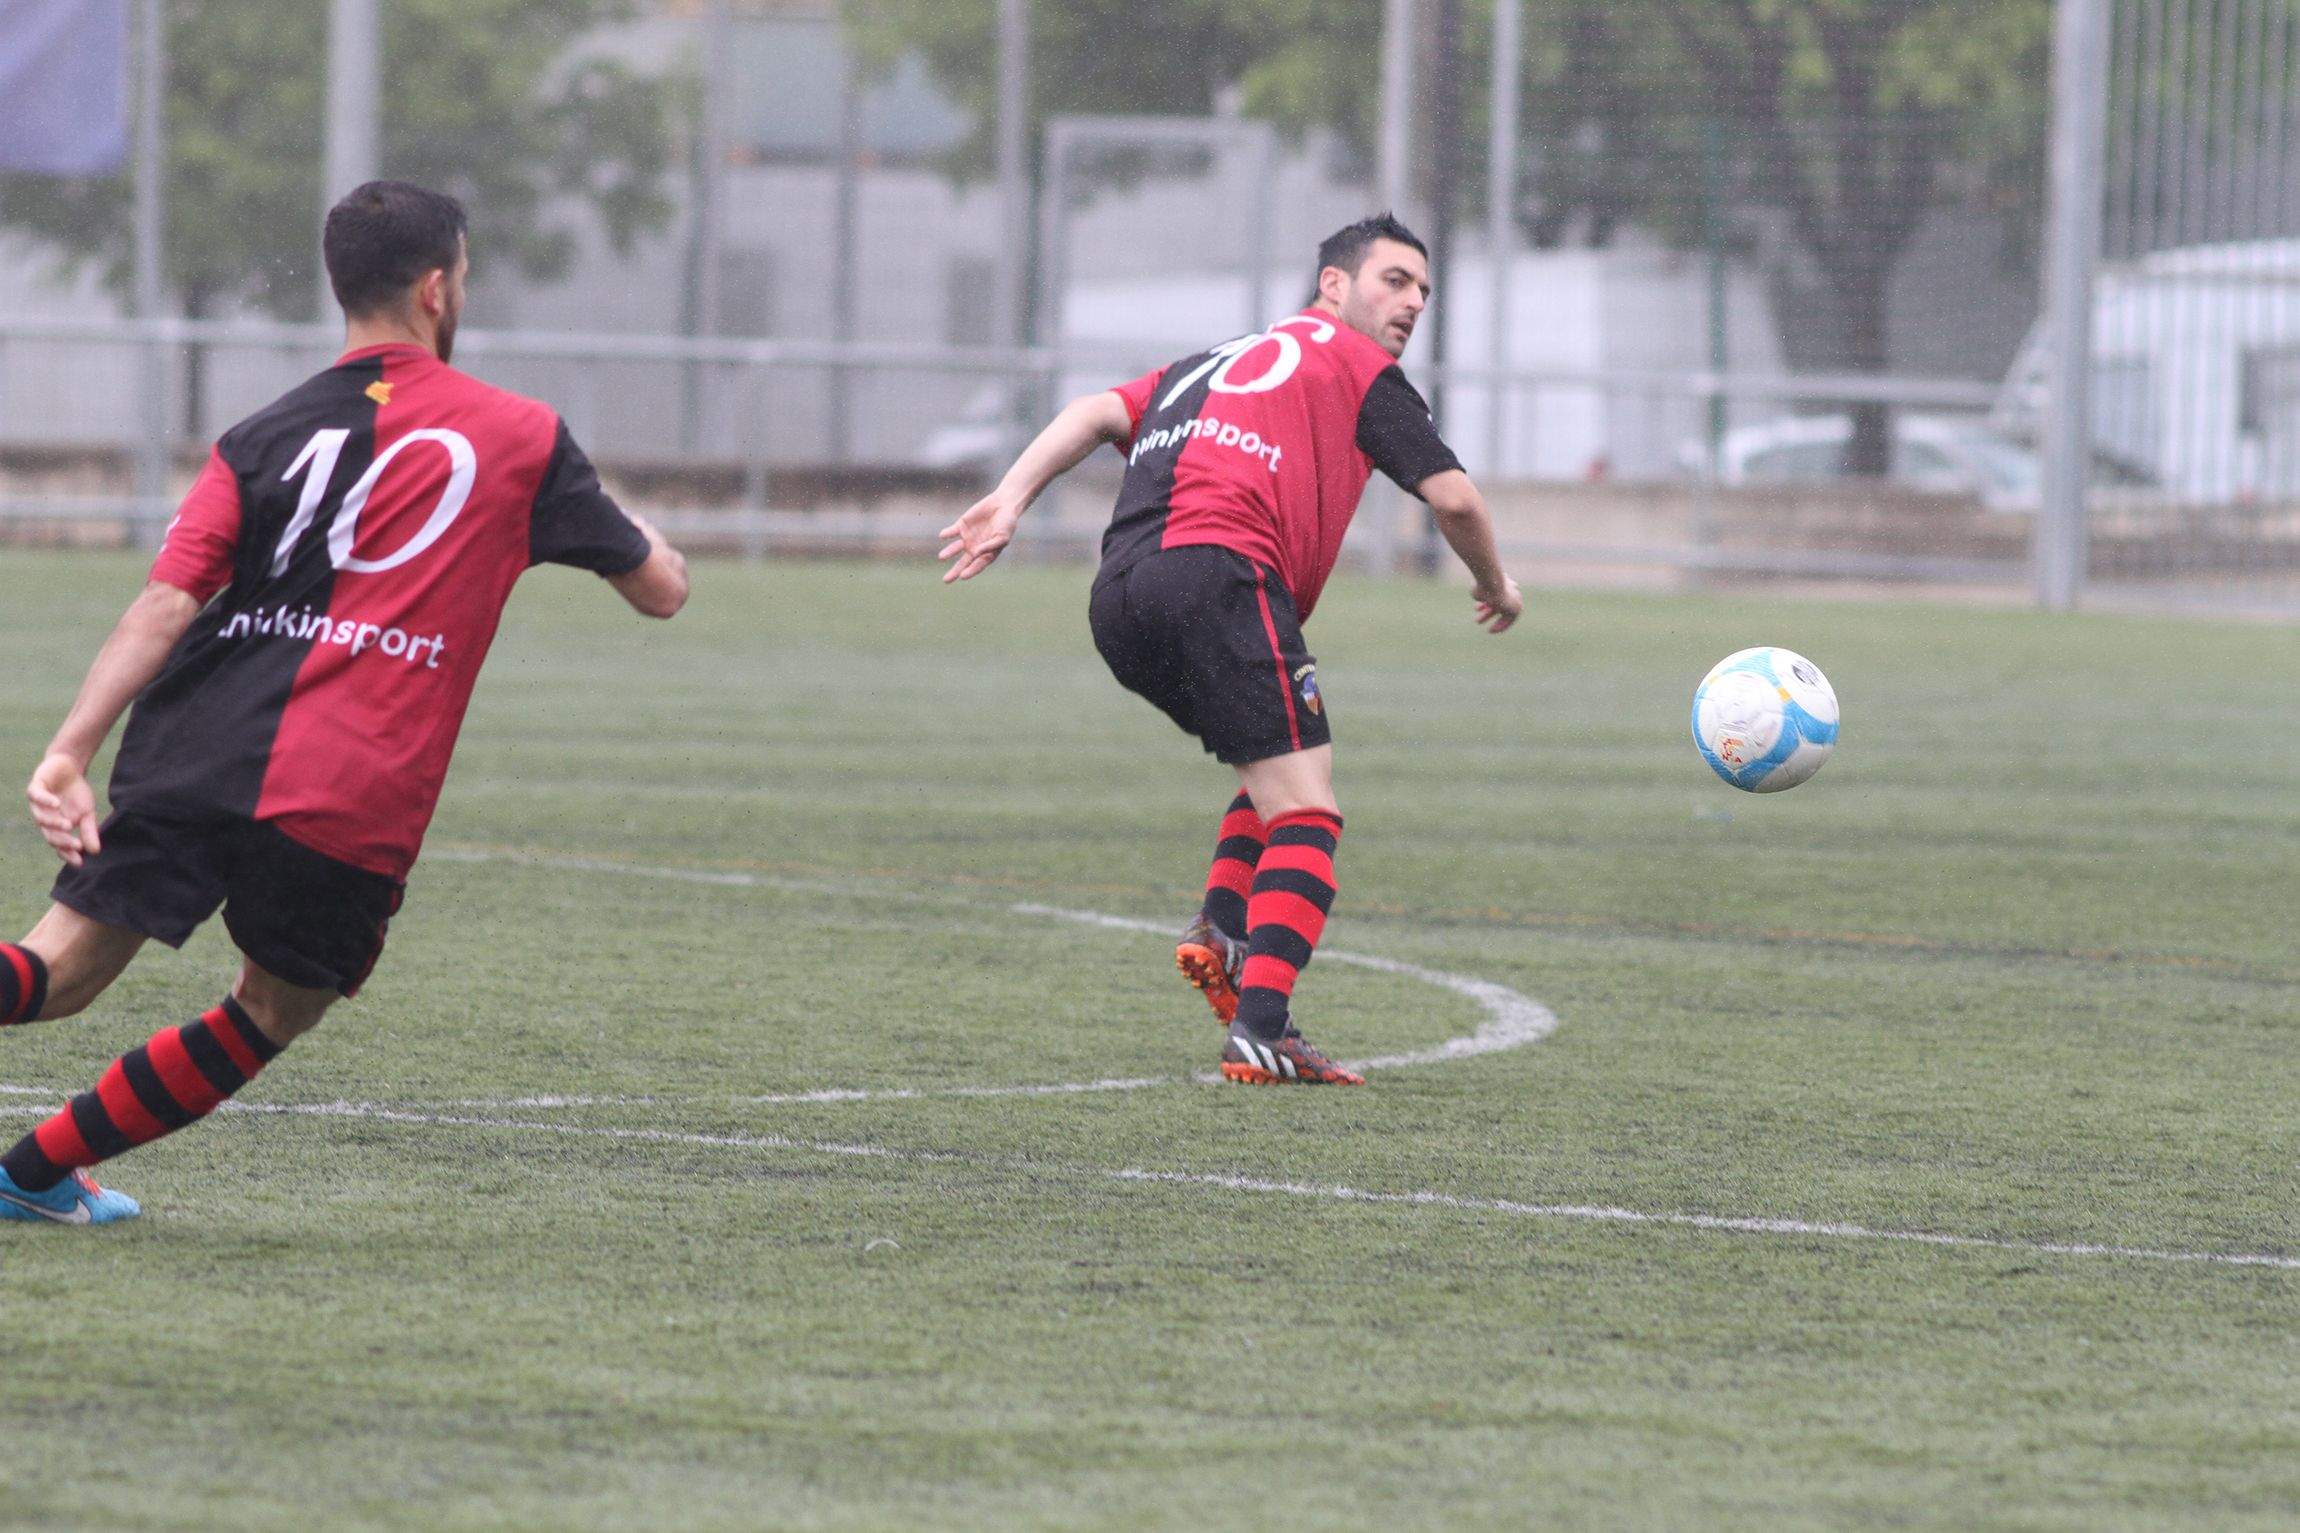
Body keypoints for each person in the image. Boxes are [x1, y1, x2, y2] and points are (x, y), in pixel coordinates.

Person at [0, 180, 688, 1224]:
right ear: (436, 288)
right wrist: (613, 515)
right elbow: (660, 590)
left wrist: (67, 751)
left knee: (54, 972)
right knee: (272, 1008)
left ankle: (34, 1178)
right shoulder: (520, 438)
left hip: (194, 747)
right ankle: (33, 1172)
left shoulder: (262, 433)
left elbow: (165, 602)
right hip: (350, 787)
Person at [939, 213, 1521, 1086]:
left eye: (1423, 292)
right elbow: (1457, 502)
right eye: (1394, 281)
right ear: (1333, 286)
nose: (1412, 304)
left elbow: (1097, 410)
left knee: (1276, 771)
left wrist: (1011, 497)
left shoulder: (1208, 363)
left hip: (1121, 599)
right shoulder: (1360, 365)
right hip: (1220, 577)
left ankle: (1219, 923)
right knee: (1309, 812)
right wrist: (1495, 585)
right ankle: (1262, 1027)